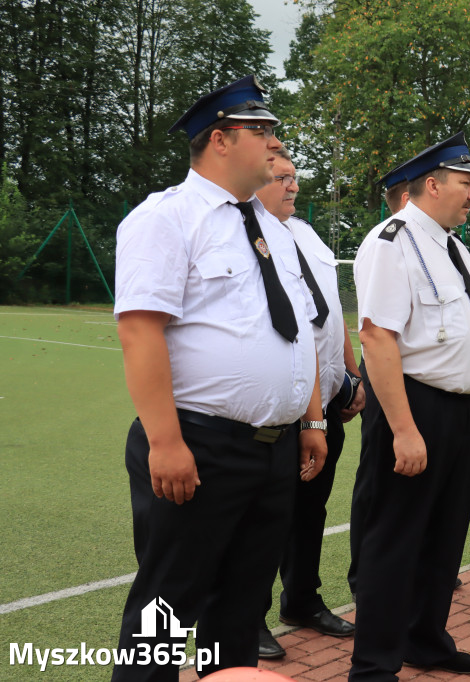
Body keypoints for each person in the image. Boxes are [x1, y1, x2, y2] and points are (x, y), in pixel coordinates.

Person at [112, 75, 326, 680]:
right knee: (165, 611)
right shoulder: (168, 218)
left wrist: (309, 419)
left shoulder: (276, 233)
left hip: (274, 450)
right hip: (200, 444)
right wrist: (165, 441)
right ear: (220, 140)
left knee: (238, 612)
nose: (276, 143)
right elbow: (140, 332)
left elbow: (298, 332)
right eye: (262, 131)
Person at [350, 131, 470, 679]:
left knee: (443, 536)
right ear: (432, 184)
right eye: (466, 184)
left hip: (459, 411)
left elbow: (469, 337)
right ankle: (374, 665)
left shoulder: (453, 246)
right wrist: (404, 430)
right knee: (395, 539)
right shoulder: (392, 241)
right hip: (414, 408)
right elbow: (378, 338)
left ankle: (426, 639)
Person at [255, 148, 365, 659]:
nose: (291, 186)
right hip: (284, 408)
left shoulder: (305, 233)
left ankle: (301, 599)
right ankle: (248, 616)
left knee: (311, 510)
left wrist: (353, 373)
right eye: (281, 177)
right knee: (266, 518)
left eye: (295, 177)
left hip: (326, 400)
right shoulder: (250, 236)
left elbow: (329, 315)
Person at [346, 161, 410, 598]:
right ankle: (366, 576)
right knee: (380, 479)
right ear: (409, 199)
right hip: (391, 378)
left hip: (419, 382)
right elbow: (375, 332)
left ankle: (404, 570)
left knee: (406, 489)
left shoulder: (437, 246)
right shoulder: (386, 244)